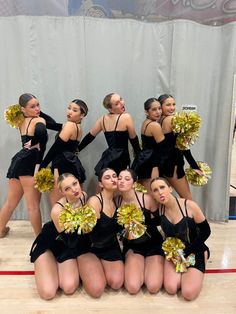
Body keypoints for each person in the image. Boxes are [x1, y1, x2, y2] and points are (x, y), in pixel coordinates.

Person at [150, 177, 211, 301]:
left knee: (188, 293)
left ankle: (202, 260)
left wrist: (188, 251)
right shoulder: (160, 210)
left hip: (195, 249)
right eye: (155, 190)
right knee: (171, 288)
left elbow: (206, 231)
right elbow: (150, 225)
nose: (160, 192)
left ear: (170, 189)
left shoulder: (189, 206)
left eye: (162, 187)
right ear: (153, 195)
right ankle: (184, 275)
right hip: (175, 253)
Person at [30, 173, 88, 300]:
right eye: (67, 188)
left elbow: (74, 239)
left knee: (69, 287)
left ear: (79, 182)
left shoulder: (83, 196)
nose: (74, 189)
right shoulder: (57, 210)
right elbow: (71, 239)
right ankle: (47, 263)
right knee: (48, 293)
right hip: (49, 243)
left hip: (67, 245)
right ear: (62, 192)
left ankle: (57, 268)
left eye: (75, 184)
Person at [0, 93, 48, 237]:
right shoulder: (39, 121)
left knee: (10, 202)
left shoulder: (21, 121)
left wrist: (31, 143)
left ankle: (1, 230)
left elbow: (33, 139)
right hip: (31, 164)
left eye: (38, 105)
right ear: (23, 109)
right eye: (33, 106)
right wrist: (38, 162)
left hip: (19, 160)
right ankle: (39, 239)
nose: (37, 109)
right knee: (33, 206)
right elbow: (41, 136)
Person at [116, 169, 164, 294]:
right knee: (132, 287)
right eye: (120, 178)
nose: (121, 181)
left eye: (127, 179)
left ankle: (150, 267)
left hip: (152, 244)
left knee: (153, 287)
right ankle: (139, 268)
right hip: (133, 247)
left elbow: (159, 221)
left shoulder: (146, 199)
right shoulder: (116, 201)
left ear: (134, 184)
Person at [79, 168, 124, 297]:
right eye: (107, 177)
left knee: (116, 283)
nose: (112, 179)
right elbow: (86, 231)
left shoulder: (118, 200)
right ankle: (87, 267)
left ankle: (100, 269)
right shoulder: (95, 201)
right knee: (97, 290)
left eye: (114, 176)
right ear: (100, 184)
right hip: (91, 248)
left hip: (110, 247)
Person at [78, 93, 140, 176]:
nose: (122, 103)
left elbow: (89, 137)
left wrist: (77, 149)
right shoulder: (126, 117)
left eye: (121, 99)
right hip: (121, 158)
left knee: (107, 183)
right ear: (110, 109)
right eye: (117, 103)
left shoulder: (102, 119)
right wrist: (139, 154)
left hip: (108, 157)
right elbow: (133, 138)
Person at [39, 99, 88, 205]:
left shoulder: (70, 126)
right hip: (73, 164)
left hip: (62, 163)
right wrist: (39, 113)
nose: (70, 112)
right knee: (74, 203)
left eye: (74, 110)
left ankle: (58, 221)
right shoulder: (77, 126)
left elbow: (55, 148)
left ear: (82, 115)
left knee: (58, 204)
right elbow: (51, 124)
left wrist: (42, 165)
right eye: (69, 108)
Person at [158, 94, 202, 200]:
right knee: (187, 199)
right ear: (160, 106)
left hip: (162, 164)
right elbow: (183, 146)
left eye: (173, 104)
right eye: (168, 105)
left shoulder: (159, 120)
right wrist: (194, 166)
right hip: (173, 165)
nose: (172, 107)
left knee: (167, 199)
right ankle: (194, 217)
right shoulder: (171, 119)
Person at [131, 98, 167, 192]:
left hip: (144, 159)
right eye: (154, 109)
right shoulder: (155, 125)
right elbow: (164, 147)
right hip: (152, 162)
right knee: (152, 194)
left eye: (159, 108)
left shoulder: (145, 123)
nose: (158, 112)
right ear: (146, 112)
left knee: (144, 194)